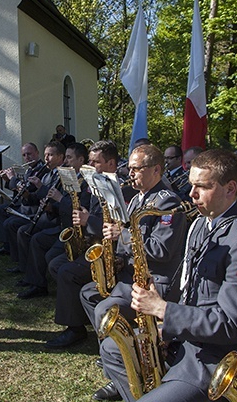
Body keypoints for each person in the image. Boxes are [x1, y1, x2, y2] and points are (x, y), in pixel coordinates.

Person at [99, 149, 237, 401]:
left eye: (201, 187)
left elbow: (231, 325)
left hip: (216, 359)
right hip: (188, 340)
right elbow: (189, 290)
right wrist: (168, 328)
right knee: (112, 348)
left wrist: (164, 310)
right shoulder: (200, 223)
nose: (191, 194)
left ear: (230, 189)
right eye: (191, 185)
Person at [82, 144, 188, 400]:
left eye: (135, 169)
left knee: (104, 310)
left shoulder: (167, 201)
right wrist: (116, 255)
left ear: (156, 170)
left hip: (155, 283)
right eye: (129, 168)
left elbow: (161, 250)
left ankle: (124, 375)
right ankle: (119, 372)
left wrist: (123, 234)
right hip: (134, 275)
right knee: (94, 301)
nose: (130, 174)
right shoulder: (139, 197)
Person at [45, 139, 119, 348]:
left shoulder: (118, 187)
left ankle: (75, 329)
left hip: (111, 251)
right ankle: (79, 315)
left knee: (67, 271)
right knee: (56, 264)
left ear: (111, 163)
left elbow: (118, 224)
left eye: (96, 162)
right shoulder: (97, 182)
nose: (91, 166)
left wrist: (90, 221)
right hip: (94, 242)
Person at [16, 141, 88, 299]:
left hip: (74, 229)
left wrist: (58, 198)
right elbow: (63, 205)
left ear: (81, 160)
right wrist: (51, 207)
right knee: (37, 240)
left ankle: (68, 291)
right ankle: (37, 284)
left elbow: (78, 208)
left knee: (47, 251)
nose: (66, 161)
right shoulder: (69, 175)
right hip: (62, 223)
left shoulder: (85, 181)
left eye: (69, 158)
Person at [5, 141, 65, 274]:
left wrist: (41, 190)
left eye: (50, 155)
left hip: (54, 218)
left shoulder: (63, 175)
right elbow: (35, 197)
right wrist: (26, 193)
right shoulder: (48, 173)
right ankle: (26, 268)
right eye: (46, 155)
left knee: (26, 232)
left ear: (61, 157)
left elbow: (61, 200)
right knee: (21, 230)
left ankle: (31, 273)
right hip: (44, 214)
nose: (46, 159)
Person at [0, 142, 43, 256]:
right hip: (22, 202)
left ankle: (15, 251)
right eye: (24, 155)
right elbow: (19, 188)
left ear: (37, 153)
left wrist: (13, 178)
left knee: (10, 222)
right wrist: (8, 180)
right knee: (0, 209)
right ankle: (6, 245)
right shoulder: (29, 169)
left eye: (29, 154)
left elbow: (26, 188)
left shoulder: (41, 169)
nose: (27, 157)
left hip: (30, 206)